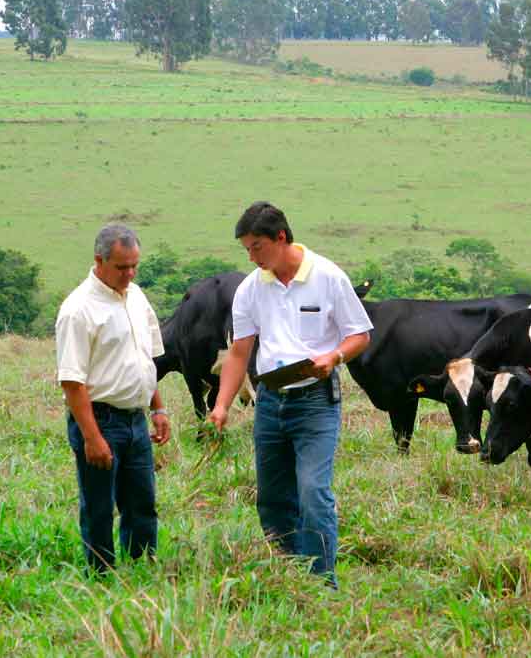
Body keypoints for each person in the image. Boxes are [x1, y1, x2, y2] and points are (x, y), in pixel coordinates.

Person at [208, 202, 372, 585]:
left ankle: (322, 582)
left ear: (281, 238)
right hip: (270, 401)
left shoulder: (328, 277)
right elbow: (239, 352)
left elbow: (360, 335)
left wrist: (334, 356)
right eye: (246, 249)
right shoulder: (251, 288)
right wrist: (220, 407)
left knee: (314, 492)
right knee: (272, 496)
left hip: (315, 399)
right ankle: (289, 575)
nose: (251, 257)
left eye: (257, 247)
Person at [55, 223, 171, 572]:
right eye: (122, 267)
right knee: (100, 506)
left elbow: (145, 359)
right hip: (99, 419)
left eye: (135, 265)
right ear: (99, 260)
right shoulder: (78, 310)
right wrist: (92, 437)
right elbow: (73, 383)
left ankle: (141, 569)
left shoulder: (136, 296)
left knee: (142, 502)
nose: (130, 273)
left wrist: (158, 408)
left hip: (136, 419)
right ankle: (101, 575)